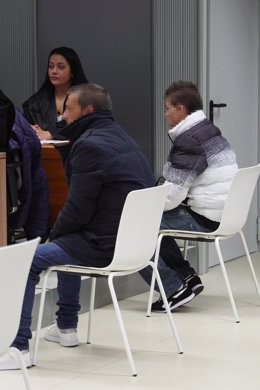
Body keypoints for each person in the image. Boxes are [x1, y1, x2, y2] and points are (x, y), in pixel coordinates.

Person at [0, 83, 155, 370]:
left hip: (103, 245)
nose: (62, 118)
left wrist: (51, 237)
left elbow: (77, 209)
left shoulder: (88, 146)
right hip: (132, 243)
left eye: (67, 110)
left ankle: (17, 347)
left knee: (26, 260)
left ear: (87, 110)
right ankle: (66, 327)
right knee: (67, 236)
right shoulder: (123, 138)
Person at [141, 80, 238, 312]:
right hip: (224, 212)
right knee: (153, 222)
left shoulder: (189, 140)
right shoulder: (208, 129)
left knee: (139, 226)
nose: (165, 114)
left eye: (167, 108)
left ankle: (173, 288)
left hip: (207, 217)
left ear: (181, 108)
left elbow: (172, 196)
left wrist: (145, 207)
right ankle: (188, 278)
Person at [22, 47, 88, 140]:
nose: (54, 71)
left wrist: (52, 135)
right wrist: (30, 130)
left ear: (72, 71)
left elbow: (90, 130)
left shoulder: (86, 99)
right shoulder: (34, 104)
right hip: (44, 153)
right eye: (51, 66)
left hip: (79, 152)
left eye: (61, 67)